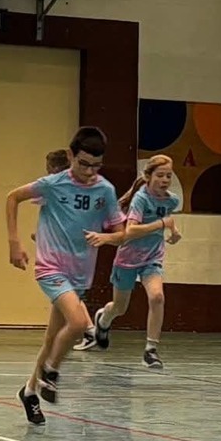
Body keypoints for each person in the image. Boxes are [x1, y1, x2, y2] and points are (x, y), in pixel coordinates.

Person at [5, 127, 124, 425]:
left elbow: (120, 232)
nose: (89, 172)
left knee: (52, 339)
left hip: (80, 273)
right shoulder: (52, 185)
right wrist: (14, 242)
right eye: (84, 164)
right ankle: (51, 373)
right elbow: (12, 197)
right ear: (71, 155)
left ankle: (29, 391)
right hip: (51, 268)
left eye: (96, 166)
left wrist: (107, 238)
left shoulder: (105, 191)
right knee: (80, 323)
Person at [83, 154, 182, 369]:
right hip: (127, 260)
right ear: (148, 176)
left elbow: (168, 221)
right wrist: (162, 224)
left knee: (157, 297)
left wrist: (174, 231)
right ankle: (103, 319)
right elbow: (131, 231)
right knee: (120, 307)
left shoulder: (172, 200)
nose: (165, 180)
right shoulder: (141, 199)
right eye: (160, 175)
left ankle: (151, 350)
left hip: (152, 259)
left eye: (169, 176)